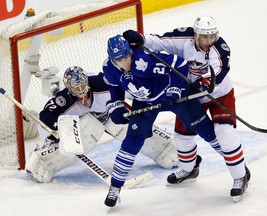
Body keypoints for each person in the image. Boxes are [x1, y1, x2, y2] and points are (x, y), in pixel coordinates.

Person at [122, 15, 251, 202]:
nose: (209, 41)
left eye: (212, 36)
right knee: (182, 137)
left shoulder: (220, 49)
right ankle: (190, 170)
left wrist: (204, 83)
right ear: (197, 34)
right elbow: (160, 42)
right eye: (205, 37)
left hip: (219, 95)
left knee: (224, 133)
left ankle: (240, 176)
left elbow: (220, 71)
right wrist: (141, 39)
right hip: (192, 98)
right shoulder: (185, 39)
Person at [103, 34, 220, 207]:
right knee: (131, 142)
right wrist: (117, 107)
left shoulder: (144, 59)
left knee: (206, 130)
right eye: (121, 59)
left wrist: (173, 90)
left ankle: (238, 169)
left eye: (128, 56)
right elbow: (114, 87)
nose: (127, 62)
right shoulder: (108, 68)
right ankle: (115, 188)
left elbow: (179, 64)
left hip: (176, 96)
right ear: (113, 59)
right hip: (144, 101)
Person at [25, 66, 180, 183]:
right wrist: (58, 134)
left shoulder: (102, 84)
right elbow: (44, 120)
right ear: (68, 88)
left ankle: (163, 148)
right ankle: (44, 161)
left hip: (111, 114)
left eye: (82, 85)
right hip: (85, 124)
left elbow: (134, 88)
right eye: (76, 88)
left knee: (128, 125)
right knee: (85, 131)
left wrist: (158, 95)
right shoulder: (63, 100)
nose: (81, 91)